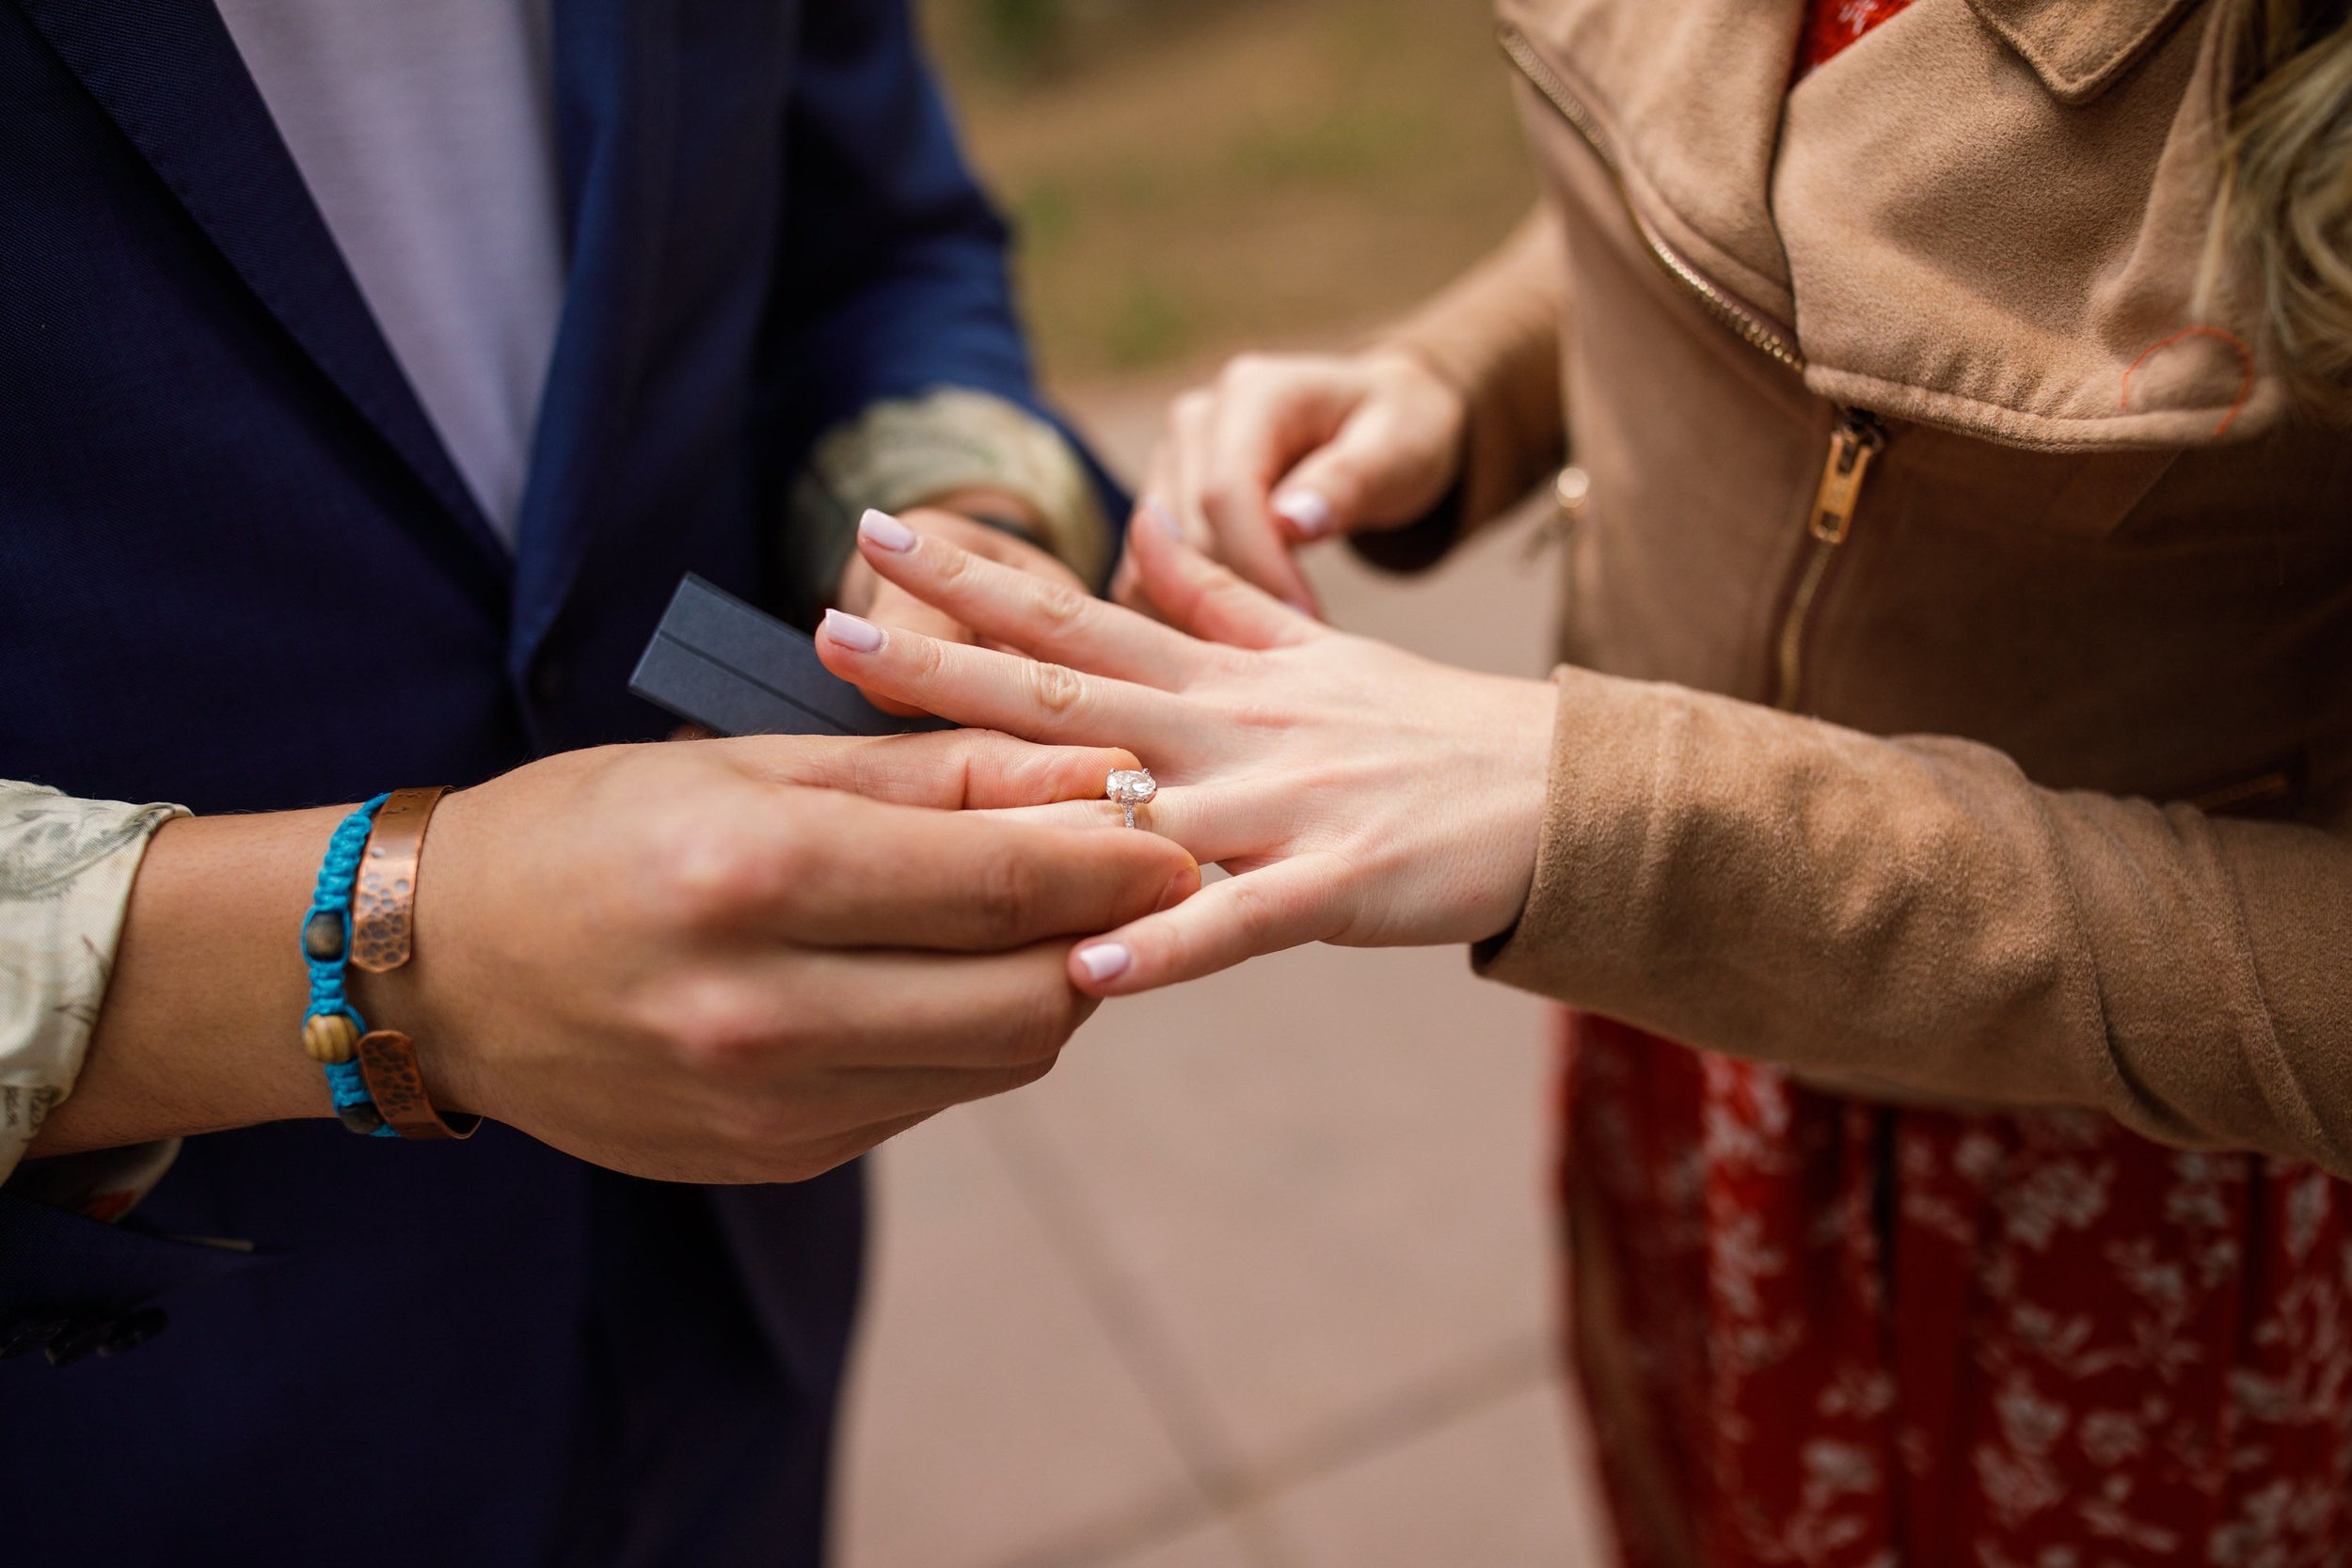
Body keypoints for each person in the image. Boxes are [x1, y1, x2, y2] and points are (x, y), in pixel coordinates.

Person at [806, 0, 2352, 1560]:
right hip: (1684, 1035)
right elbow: (1803, 197)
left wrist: (1620, 812)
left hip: (2135, 1207)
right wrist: (1456, 377)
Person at [0, 2, 1195, 1565]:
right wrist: (416, 955)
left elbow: (874, 244)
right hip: (145, 1419)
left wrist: (954, 523)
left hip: (734, 1311)